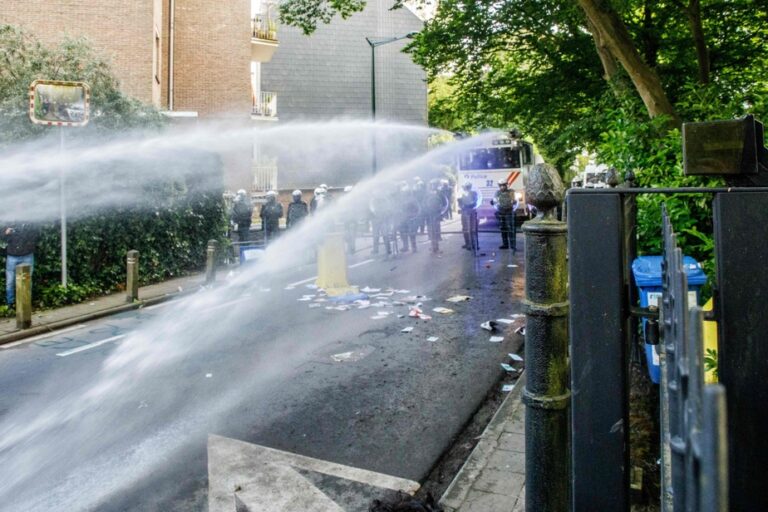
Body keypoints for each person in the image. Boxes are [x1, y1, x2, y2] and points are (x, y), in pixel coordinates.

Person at [2, 221, 39, 308]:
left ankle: (25, 303)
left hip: (27, 255)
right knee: (10, 281)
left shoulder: (30, 221)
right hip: (12, 256)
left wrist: (29, 243)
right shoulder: (8, 220)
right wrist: (6, 232)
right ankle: (10, 304)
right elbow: (2, 235)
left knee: (27, 280)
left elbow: (36, 234)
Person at [490, 179, 516, 251]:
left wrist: (514, 202)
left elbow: (514, 200)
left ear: (506, 185)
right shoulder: (497, 193)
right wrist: (493, 202)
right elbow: (495, 200)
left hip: (509, 211)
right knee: (503, 228)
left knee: (511, 228)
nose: (502, 187)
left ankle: (513, 245)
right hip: (501, 212)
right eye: (501, 185)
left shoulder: (511, 191)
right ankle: (505, 244)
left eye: (504, 185)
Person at [425, 179, 448, 254]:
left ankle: (436, 247)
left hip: (436, 215)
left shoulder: (439, 193)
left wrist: (441, 212)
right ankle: (433, 246)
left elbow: (445, 203)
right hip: (429, 215)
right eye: (431, 185)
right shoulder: (428, 194)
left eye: (433, 184)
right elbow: (424, 203)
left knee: (435, 231)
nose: (432, 186)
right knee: (431, 232)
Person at [398, 183, 420, 253]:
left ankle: (414, 248)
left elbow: (418, 209)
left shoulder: (413, 200)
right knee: (403, 233)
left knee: (412, 234)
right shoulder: (401, 200)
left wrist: (414, 216)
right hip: (403, 219)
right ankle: (406, 246)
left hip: (411, 219)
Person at [457, 181, 479, 251]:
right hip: (464, 212)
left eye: (468, 187)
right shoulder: (462, 194)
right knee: (465, 229)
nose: (467, 188)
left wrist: (468, 205)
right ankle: (467, 243)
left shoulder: (474, 193)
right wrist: (461, 205)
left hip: (472, 212)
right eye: (466, 187)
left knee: (473, 229)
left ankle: (474, 244)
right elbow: (459, 203)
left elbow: (475, 202)